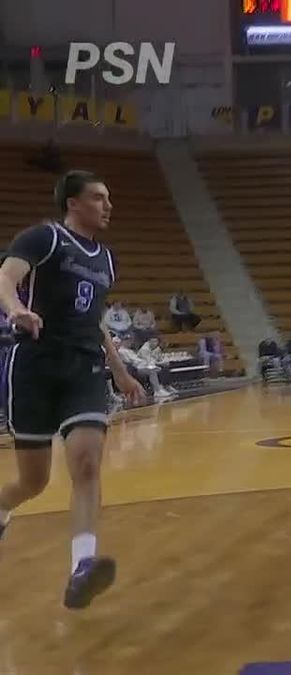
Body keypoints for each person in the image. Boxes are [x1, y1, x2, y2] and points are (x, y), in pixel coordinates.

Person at [0, 171, 145, 609]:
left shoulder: (107, 259)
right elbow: (5, 275)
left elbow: (96, 320)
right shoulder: (45, 237)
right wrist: (16, 309)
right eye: (99, 198)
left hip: (84, 368)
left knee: (85, 463)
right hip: (35, 366)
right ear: (73, 203)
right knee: (33, 481)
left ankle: (82, 565)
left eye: (108, 198)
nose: (108, 205)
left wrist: (120, 370)